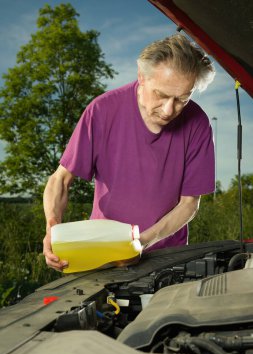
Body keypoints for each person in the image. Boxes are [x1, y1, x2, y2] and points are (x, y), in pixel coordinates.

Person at [43, 34, 216, 271]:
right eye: (161, 95)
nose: (168, 110)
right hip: (102, 253)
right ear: (141, 77)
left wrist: (140, 243)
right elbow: (60, 180)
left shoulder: (198, 123)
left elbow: (189, 205)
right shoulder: (102, 111)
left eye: (181, 99)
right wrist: (52, 229)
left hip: (167, 256)